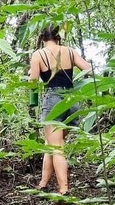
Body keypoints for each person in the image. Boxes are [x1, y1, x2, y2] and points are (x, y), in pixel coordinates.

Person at [28, 26, 92, 195]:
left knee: (56, 147)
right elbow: (88, 69)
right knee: (51, 144)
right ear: (58, 38)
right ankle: (43, 183)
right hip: (72, 101)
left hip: (54, 101)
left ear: (42, 38)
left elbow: (33, 81)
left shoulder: (38, 54)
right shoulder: (70, 51)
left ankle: (64, 189)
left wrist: (31, 76)